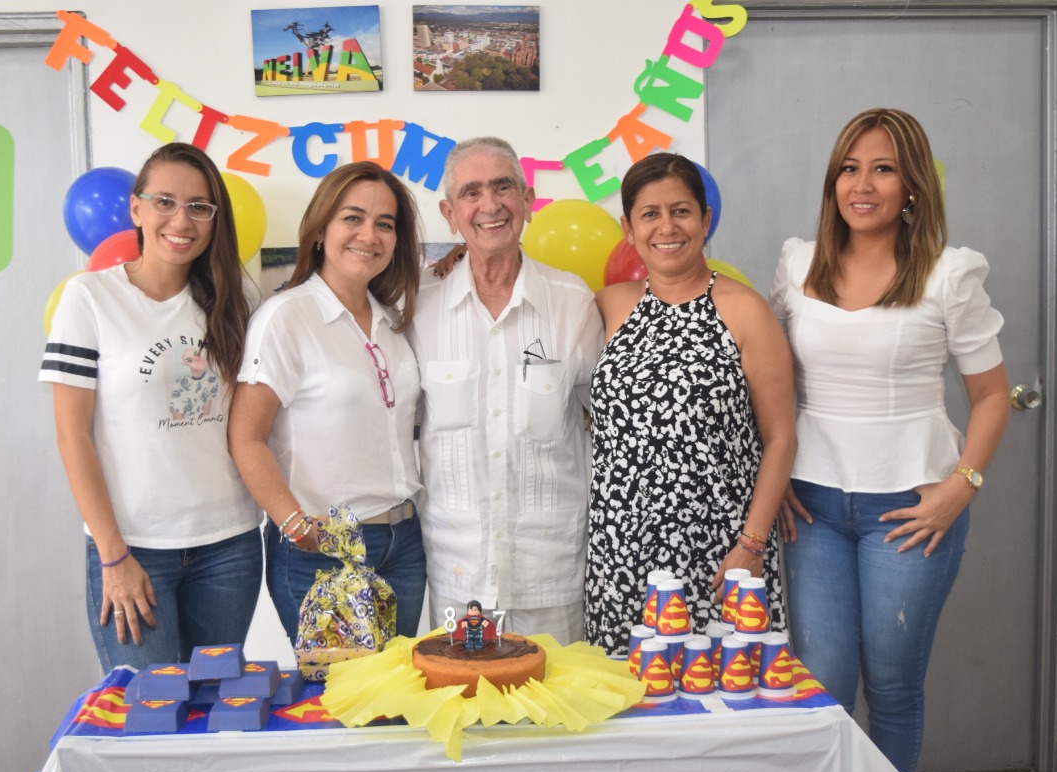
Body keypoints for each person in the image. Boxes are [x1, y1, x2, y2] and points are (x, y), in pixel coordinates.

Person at [771, 108, 1009, 772]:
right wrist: (774, 473)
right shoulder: (798, 264)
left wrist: (962, 487)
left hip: (911, 509)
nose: (862, 184)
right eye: (849, 169)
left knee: (893, 686)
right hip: (812, 506)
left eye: (883, 169)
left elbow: (993, 396)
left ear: (912, 186)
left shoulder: (948, 275)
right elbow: (771, 381)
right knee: (823, 684)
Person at [40, 142, 263, 671]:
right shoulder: (89, 298)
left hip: (228, 545)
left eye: (199, 207)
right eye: (165, 202)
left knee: (218, 702)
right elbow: (72, 435)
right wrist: (113, 554)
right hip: (133, 546)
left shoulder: (236, 302)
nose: (181, 220)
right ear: (136, 209)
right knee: (147, 709)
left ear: (214, 219)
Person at [586, 152, 797, 655]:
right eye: (650, 214)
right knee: (624, 691)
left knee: (724, 686)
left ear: (704, 219)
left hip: (720, 553)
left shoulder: (745, 311)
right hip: (621, 552)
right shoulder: (608, 305)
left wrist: (751, 545)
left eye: (680, 211)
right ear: (628, 229)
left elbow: (780, 437)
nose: (667, 227)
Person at [410, 137, 603, 643]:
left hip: (551, 574)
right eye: (471, 193)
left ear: (528, 200)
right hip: (457, 574)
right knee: (460, 693)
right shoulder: (419, 309)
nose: (490, 205)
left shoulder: (573, 303)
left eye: (503, 187)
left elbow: (606, 427)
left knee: (559, 694)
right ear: (450, 214)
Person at [229, 161, 426, 640]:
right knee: (339, 689)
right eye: (352, 218)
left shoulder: (393, 321)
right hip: (327, 546)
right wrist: (295, 526)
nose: (369, 235)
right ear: (320, 230)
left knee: (397, 687)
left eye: (385, 224)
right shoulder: (286, 317)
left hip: (404, 542)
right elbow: (246, 437)